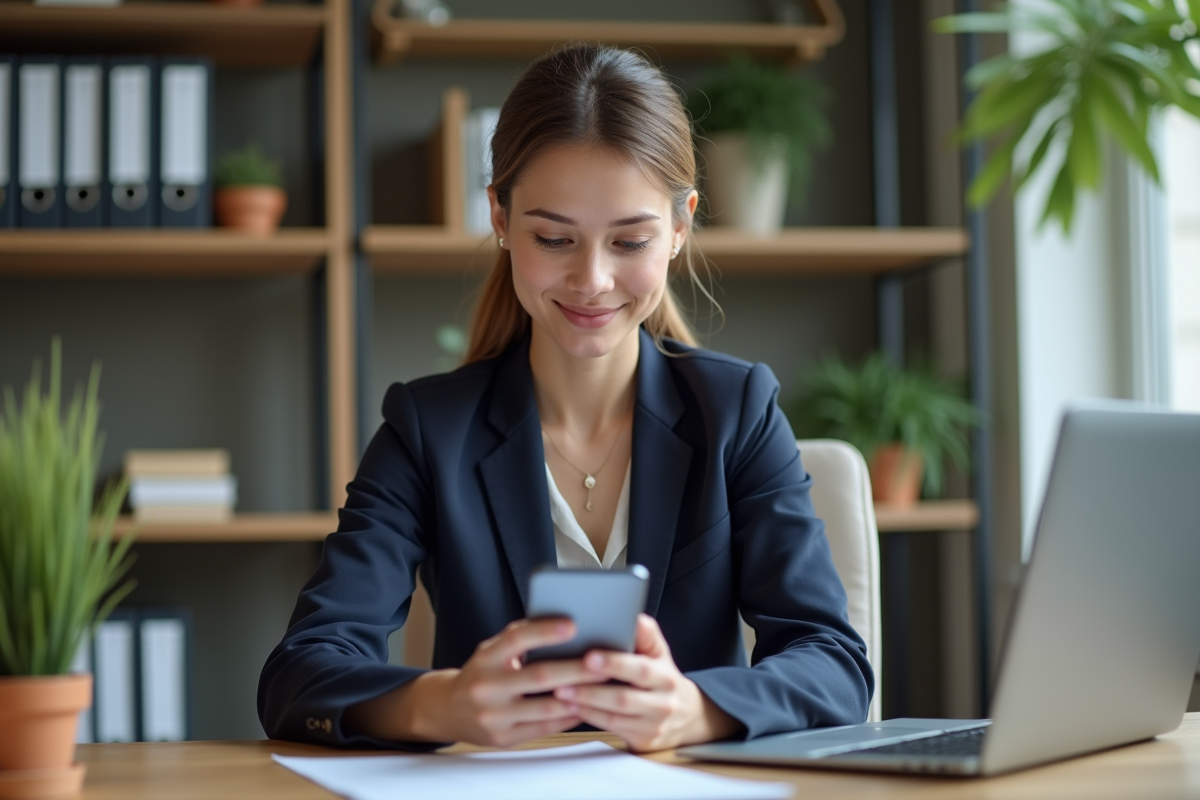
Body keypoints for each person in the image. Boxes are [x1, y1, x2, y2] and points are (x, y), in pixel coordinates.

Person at [258, 43, 872, 753]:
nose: (592, 280)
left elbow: (834, 665)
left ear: (679, 228)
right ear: (498, 216)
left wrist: (695, 709)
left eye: (630, 240)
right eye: (554, 238)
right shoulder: (427, 430)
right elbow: (298, 675)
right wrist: (443, 705)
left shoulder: (736, 412)